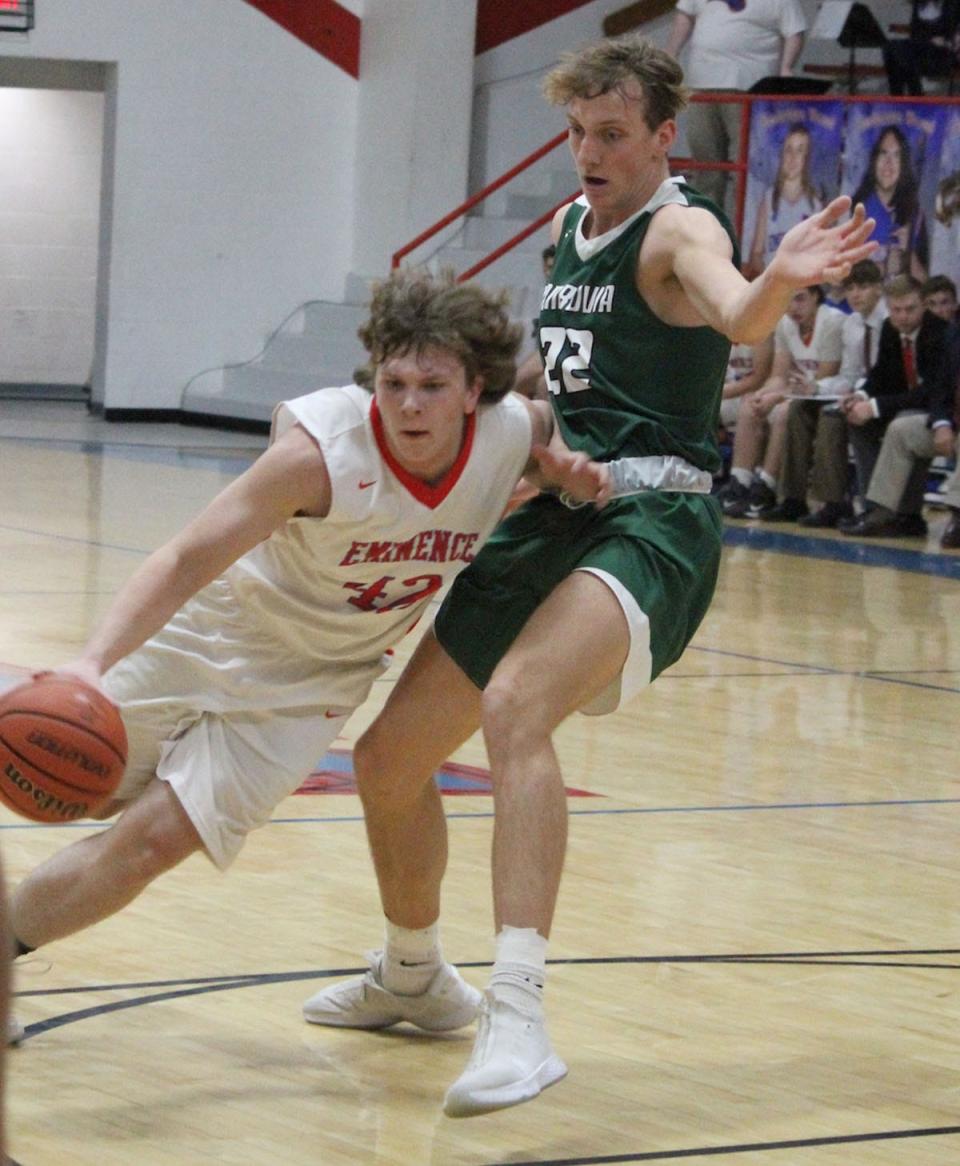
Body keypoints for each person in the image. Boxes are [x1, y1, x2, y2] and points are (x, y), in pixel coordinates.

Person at [303, 34, 877, 1118]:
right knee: (387, 756)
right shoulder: (575, 229)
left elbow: (738, 313)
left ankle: (520, 1014)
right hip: (555, 507)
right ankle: (418, 974)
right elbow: (556, 368)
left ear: (666, 136)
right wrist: (459, 399)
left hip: (652, 518)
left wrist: (779, 282)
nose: (588, 151)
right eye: (576, 132)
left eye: (611, 133)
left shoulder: (682, 227)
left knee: (518, 703)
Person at [6, 270, 599, 973]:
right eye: (393, 383)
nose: (409, 405)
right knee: (68, 781)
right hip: (214, 632)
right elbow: (185, 558)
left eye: (433, 387)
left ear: (475, 391)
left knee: (151, 843)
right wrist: (92, 663)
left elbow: (545, 432)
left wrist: (566, 474)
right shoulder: (321, 454)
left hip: (310, 687)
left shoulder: (509, 434)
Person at [772, 259, 887, 527]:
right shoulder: (853, 324)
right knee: (798, 409)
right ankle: (793, 497)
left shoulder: (889, 321)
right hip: (858, 391)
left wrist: (857, 395)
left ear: (879, 289)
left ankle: (833, 501)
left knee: (831, 415)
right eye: (851, 288)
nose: (856, 294)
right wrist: (816, 387)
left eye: (864, 287)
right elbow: (849, 375)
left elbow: (887, 376)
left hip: (883, 395)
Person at [666, 0, 806, 210]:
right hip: (701, 85)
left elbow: (794, 31)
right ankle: (704, 224)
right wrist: (671, 53)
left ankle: (737, 229)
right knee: (705, 161)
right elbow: (685, 14)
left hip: (747, 88)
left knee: (741, 165)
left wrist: (786, 67)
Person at [717, 285, 843, 519]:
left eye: (800, 299)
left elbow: (822, 380)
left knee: (785, 411)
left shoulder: (832, 323)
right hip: (798, 393)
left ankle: (767, 486)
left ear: (816, 297)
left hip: (826, 396)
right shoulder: (786, 324)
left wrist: (777, 395)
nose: (793, 307)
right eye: (789, 301)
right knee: (750, 405)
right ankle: (740, 482)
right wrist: (764, 394)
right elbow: (778, 376)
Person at [839, 274, 950, 534]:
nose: (903, 317)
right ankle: (873, 506)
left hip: (933, 408)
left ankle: (904, 513)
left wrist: (876, 407)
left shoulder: (941, 333)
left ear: (923, 304)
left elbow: (932, 391)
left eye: (910, 309)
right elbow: (882, 374)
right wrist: (861, 396)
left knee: (903, 423)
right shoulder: (891, 328)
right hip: (904, 403)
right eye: (896, 310)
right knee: (857, 422)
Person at [850, 125, 929, 283]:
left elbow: (923, 285)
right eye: (883, 153)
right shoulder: (855, 208)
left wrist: (908, 253)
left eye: (896, 156)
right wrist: (883, 267)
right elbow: (839, 276)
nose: (888, 163)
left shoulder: (914, 214)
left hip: (898, 304)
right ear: (874, 160)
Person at [747, 123, 824, 277]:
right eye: (788, 149)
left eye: (800, 150)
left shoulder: (815, 204)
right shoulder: (769, 199)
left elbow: (819, 254)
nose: (792, 157)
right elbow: (756, 254)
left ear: (807, 158)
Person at [883, 0, 960, 96]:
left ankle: (904, 97)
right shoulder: (919, 5)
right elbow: (914, 35)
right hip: (921, 51)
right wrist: (928, 40)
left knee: (900, 53)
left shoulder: (954, 4)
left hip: (942, 55)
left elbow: (956, 41)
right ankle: (908, 95)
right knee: (890, 47)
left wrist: (945, 42)